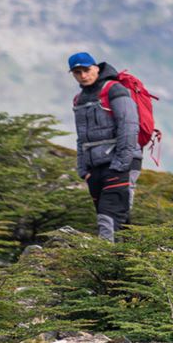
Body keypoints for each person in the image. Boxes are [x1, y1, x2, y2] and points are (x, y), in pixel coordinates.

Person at [69, 52, 142, 242]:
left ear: (96, 67)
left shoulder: (114, 90)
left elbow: (129, 126)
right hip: (95, 165)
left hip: (121, 162)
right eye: (77, 72)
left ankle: (104, 254)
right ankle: (129, 255)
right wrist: (82, 169)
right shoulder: (79, 99)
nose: (83, 75)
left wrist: (121, 163)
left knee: (108, 214)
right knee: (118, 215)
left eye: (86, 70)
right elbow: (81, 137)